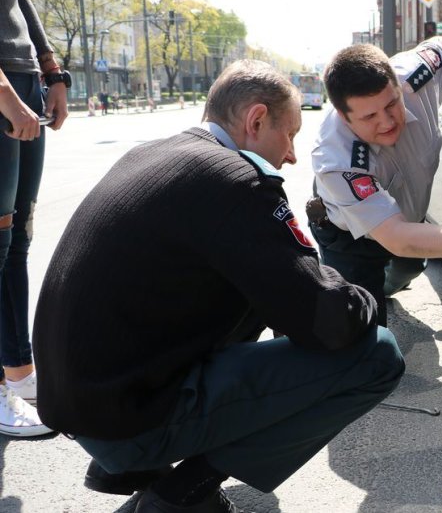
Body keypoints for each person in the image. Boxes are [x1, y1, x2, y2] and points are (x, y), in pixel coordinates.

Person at [32, 59, 404, 513]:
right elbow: (328, 320)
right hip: (125, 415)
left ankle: (130, 467)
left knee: (256, 282)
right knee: (378, 354)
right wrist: (365, 297)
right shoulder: (237, 181)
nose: (290, 155)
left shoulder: (159, 153)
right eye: (289, 135)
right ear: (256, 120)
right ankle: (181, 490)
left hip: (82, 400)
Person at [308, 36, 442, 326]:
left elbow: (441, 48)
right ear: (344, 117)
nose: (387, 121)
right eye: (370, 116)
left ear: (397, 84)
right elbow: (397, 238)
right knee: (363, 333)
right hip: (350, 239)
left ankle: (383, 288)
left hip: (409, 223)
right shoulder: (335, 159)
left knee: (409, 269)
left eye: (392, 103)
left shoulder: (414, 76)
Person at [0, 0, 69, 437]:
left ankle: (18, 371)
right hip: (4, 86)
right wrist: (5, 93)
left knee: (17, 239)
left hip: (24, 78)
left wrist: (52, 70)